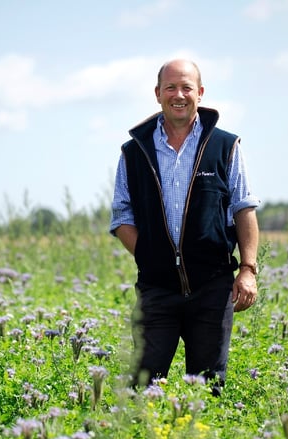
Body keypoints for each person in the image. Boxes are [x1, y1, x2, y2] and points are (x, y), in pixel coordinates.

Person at [110, 59, 260, 394]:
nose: (179, 95)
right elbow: (122, 216)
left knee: (209, 390)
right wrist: (154, 256)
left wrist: (248, 269)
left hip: (212, 288)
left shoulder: (225, 146)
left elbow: (244, 208)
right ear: (157, 94)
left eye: (187, 87)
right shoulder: (134, 152)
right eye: (171, 88)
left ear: (200, 93)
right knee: (142, 389)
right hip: (157, 291)